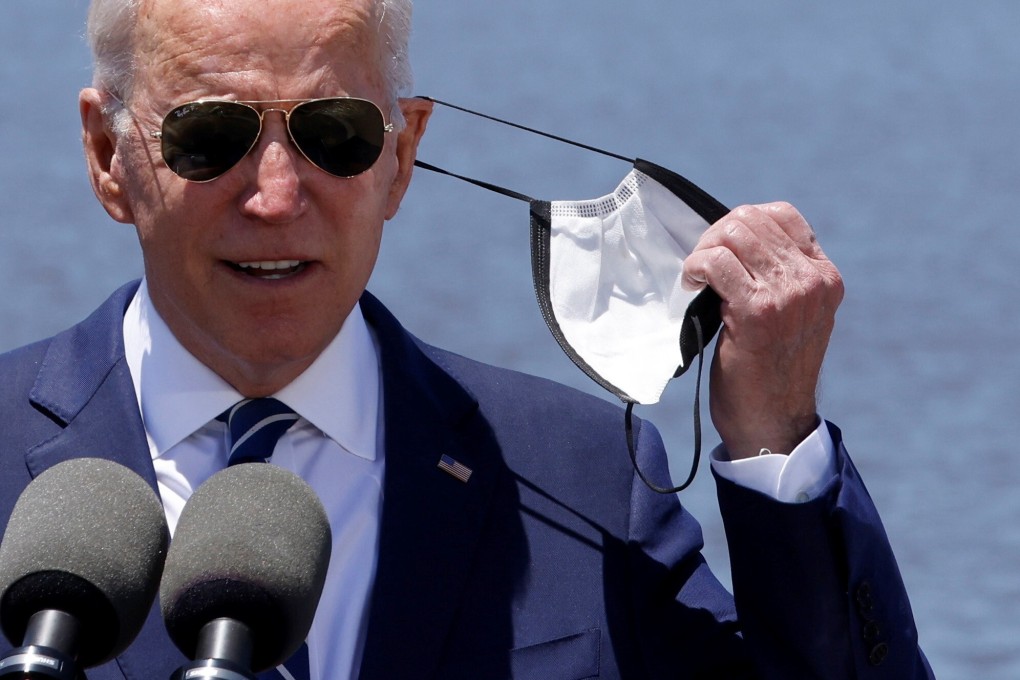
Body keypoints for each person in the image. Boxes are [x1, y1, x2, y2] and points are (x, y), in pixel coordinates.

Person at [0, 0, 934, 678]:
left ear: (401, 157)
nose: (277, 196)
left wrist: (773, 438)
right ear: (106, 157)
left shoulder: (582, 477)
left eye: (336, 133)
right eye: (210, 136)